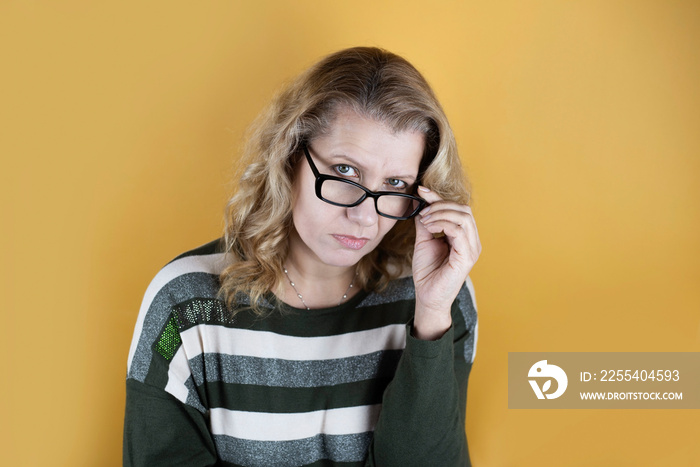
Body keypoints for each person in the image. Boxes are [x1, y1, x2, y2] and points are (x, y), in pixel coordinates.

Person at [123, 46, 481, 467]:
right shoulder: (184, 309)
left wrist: (432, 316)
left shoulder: (442, 298)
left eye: (396, 182)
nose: (364, 216)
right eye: (345, 171)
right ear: (290, 154)